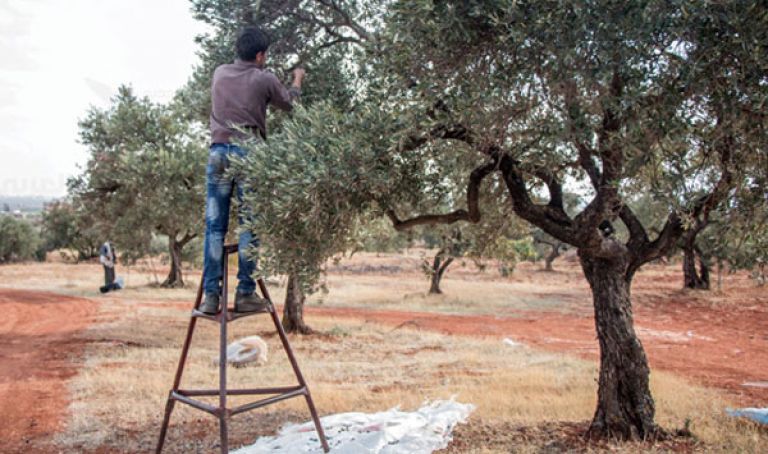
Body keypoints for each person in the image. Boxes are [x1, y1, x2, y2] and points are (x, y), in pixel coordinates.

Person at [200, 26, 305, 315]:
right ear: (260, 55)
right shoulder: (265, 78)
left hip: (218, 152)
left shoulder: (219, 73)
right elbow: (291, 104)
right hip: (249, 153)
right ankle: (245, 292)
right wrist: (297, 79)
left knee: (214, 228)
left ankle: (211, 296)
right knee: (250, 223)